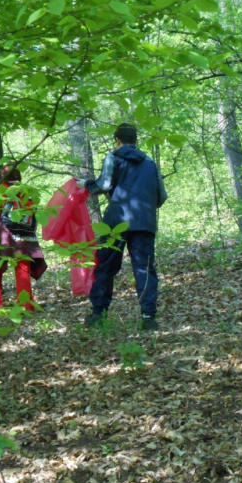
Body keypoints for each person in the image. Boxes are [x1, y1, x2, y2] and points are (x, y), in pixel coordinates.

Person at [77, 123, 167, 331]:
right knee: (144, 268)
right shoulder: (150, 162)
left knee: (106, 266)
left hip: (116, 221)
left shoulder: (113, 157)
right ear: (135, 140)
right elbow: (161, 196)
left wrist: (86, 184)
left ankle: (99, 313)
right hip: (144, 222)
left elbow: (104, 185)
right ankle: (148, 317)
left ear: (117, 140)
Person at [0, 164, 47, 311]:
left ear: (4, 176)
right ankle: (26, 304)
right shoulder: (28, 190)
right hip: (26, 235)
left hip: (5, 234)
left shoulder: (1, 188)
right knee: (23, 269)